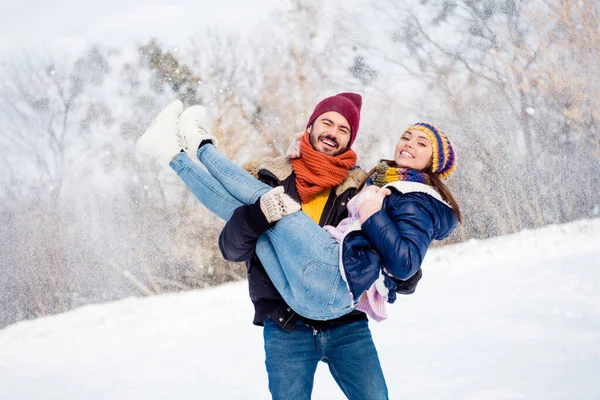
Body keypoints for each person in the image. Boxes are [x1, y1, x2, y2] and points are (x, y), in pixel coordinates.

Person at [136, 96, 459, 398]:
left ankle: (202, 146)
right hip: (285, 317)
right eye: (327, 123)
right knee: (260, 204)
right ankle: (171, 152)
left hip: (344, 316)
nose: (333, 133)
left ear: (350, 140)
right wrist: (255, 218)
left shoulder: (360, 184)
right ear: (309, 126)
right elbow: (231, 249)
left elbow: (402, 252)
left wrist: (402, 274)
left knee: (276, 205)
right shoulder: (271, 174)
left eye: (343, 128)